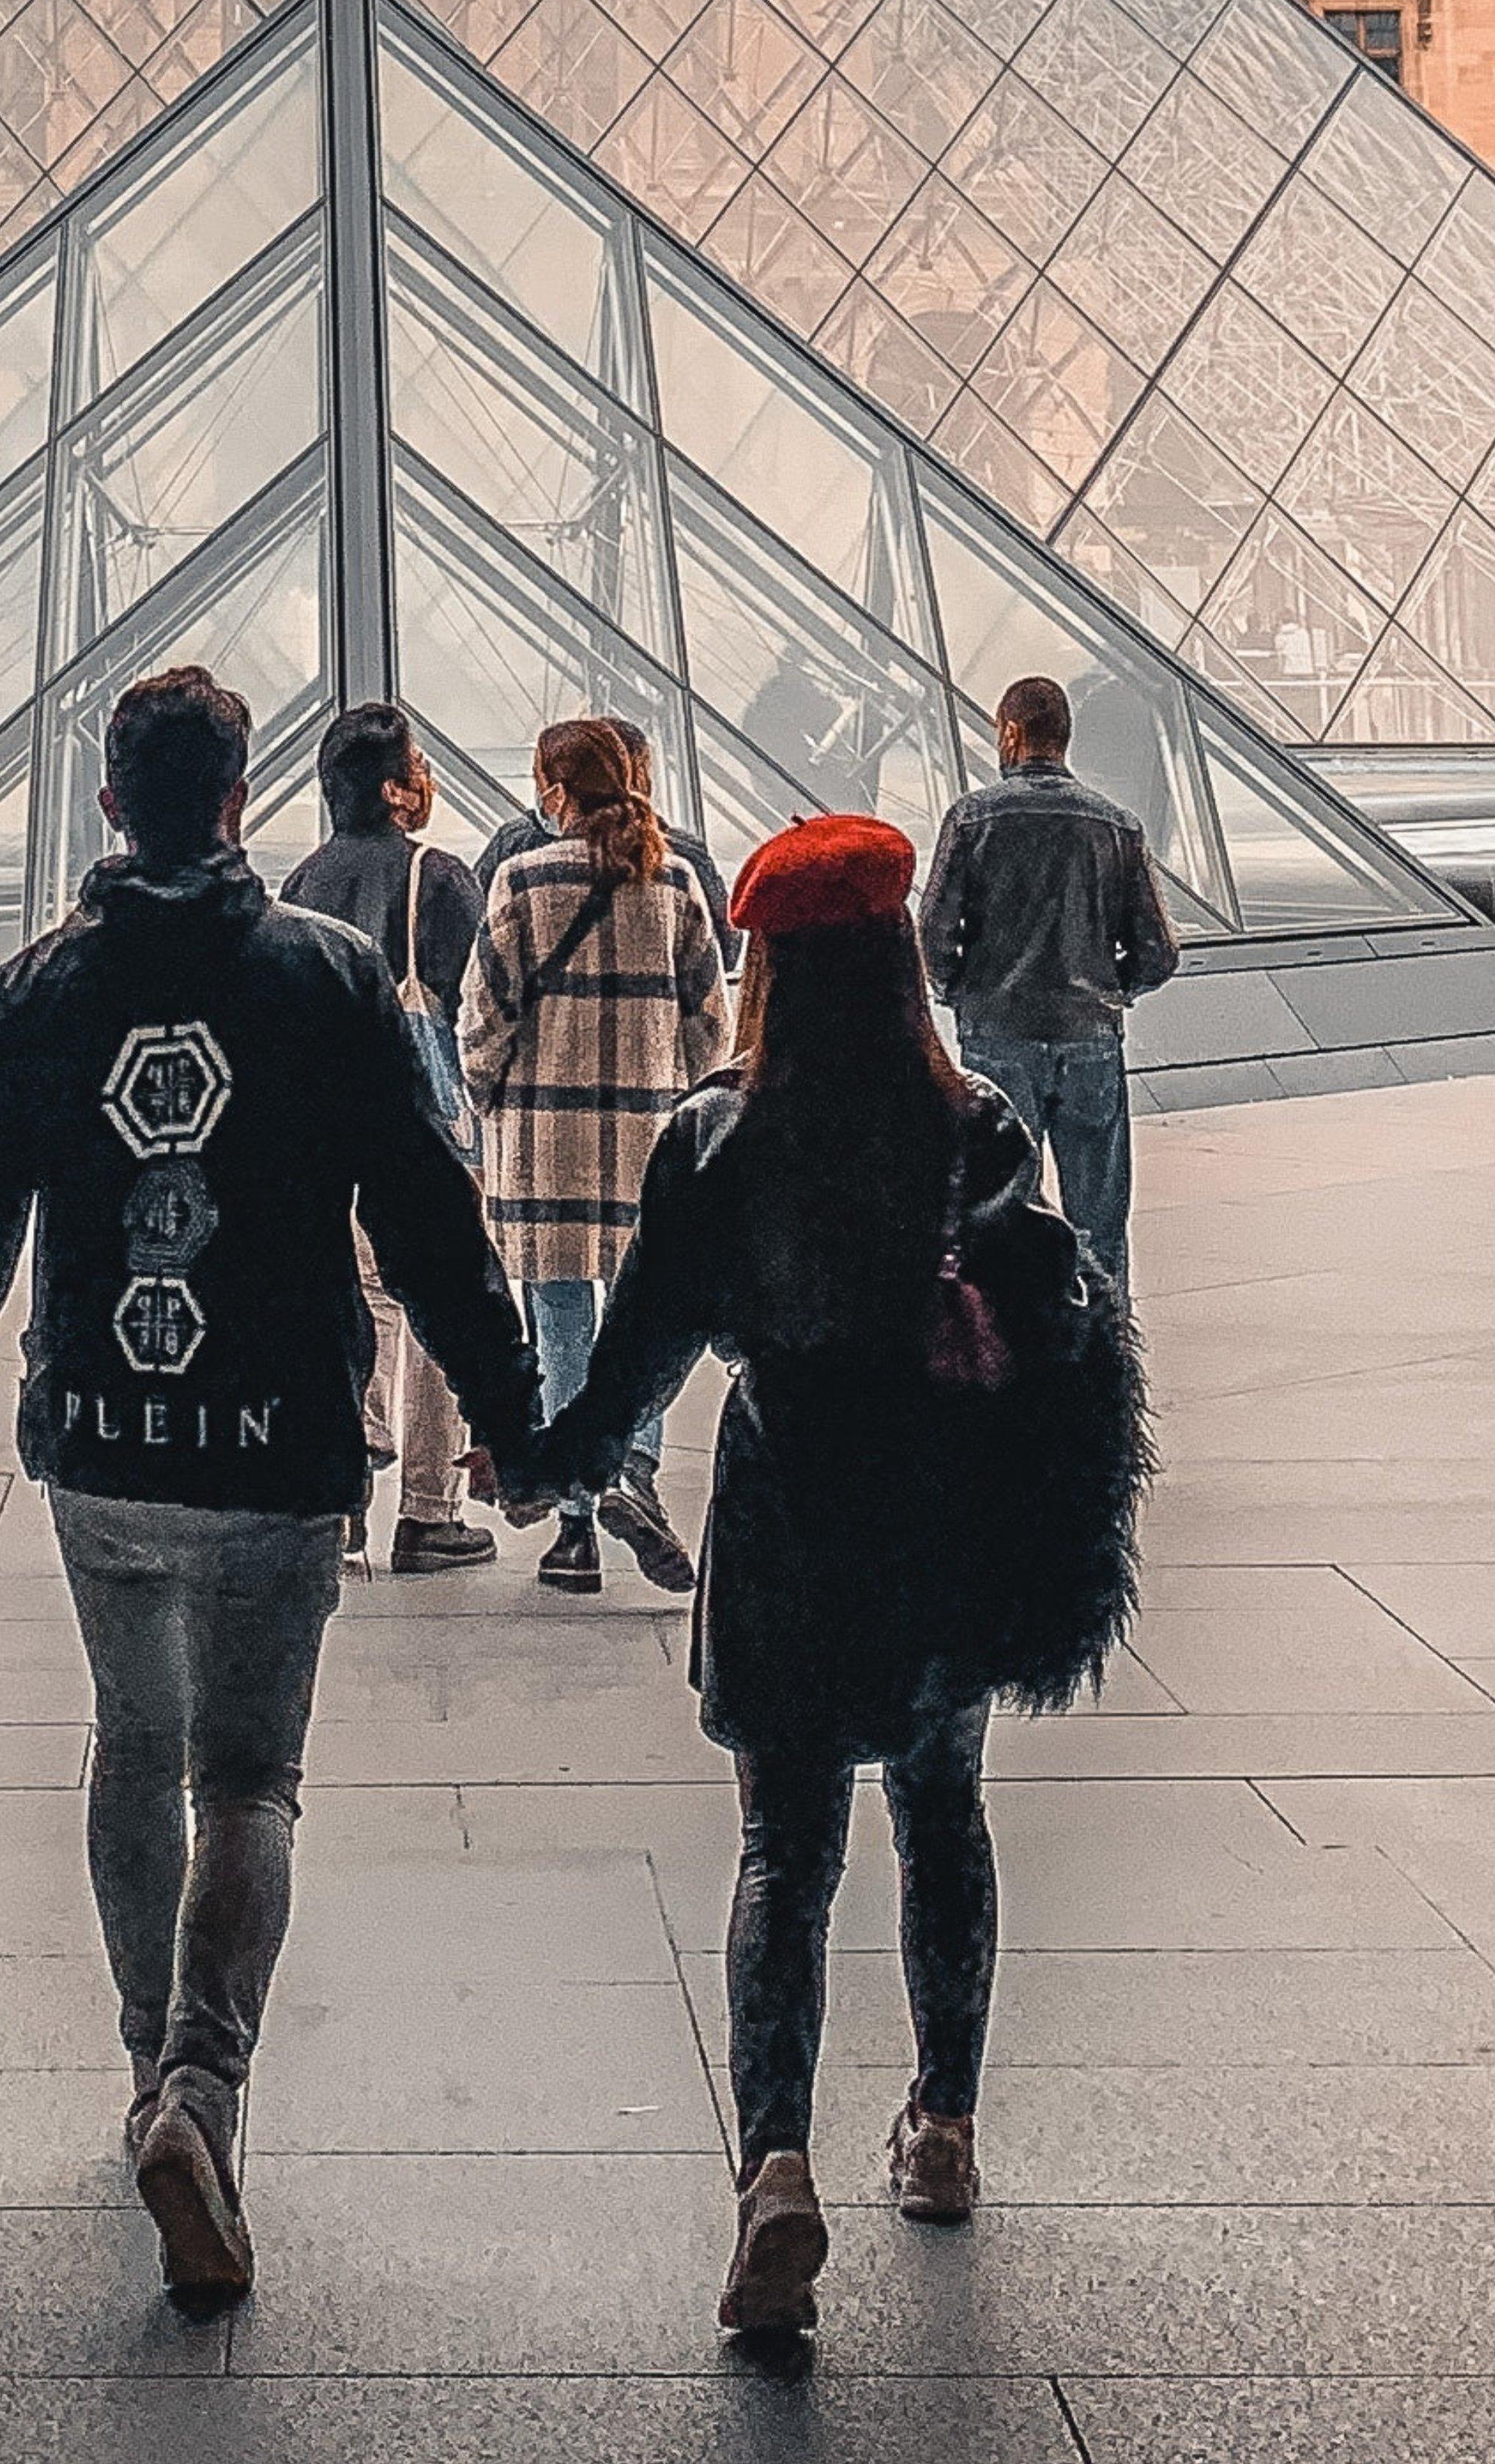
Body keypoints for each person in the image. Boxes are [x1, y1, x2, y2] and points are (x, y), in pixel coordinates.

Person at [0, 666, 547, 2307]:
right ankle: (204, 2094)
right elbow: (432, 1224)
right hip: (281, 1442)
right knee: (248, 1781)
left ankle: (142, 2063)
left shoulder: (34, 992)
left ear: (109, 806)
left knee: (131, 1746)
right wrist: (508, 1417)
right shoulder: (332, 977)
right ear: (240, 805)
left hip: (98, 1440)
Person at [527, 813, 1150, 2337]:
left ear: (768, 964)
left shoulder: (717, 1136)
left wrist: (560, 1456)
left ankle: (776, 2173)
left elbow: (647, 1348)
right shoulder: (978, 1127)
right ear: (894, 955)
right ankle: (940, 2128)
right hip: (939, 1509)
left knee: (782, 1853)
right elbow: (1061, 1304)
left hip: (787, 1510)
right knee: (942, 1813)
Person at [462, 717, 720, 1595]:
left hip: (545, 1142)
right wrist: (678, 1101)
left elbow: (483, 1020)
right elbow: (708, 1026)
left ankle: (577, 1524)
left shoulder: (521, 879)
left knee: (560, 1316)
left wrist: (489, 1092)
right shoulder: (676, 882)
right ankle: (632, 1468)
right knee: (645, 1318)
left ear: (558, 794)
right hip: (647, 1138)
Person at [275, 703, 493, 1576]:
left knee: (356, 1300)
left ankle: (343, 1504)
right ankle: (431, 1513)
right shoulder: (437, 875)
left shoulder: (300, 882)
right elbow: (479, 1003)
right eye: (422, 768)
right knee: (436, 1294)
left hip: (321, 1130)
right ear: (398, 792)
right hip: (425, 1122)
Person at [918, 675, 1180, 1280]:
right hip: (1090, 1037)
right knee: (1098, 1222)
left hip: (998, 1035)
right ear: (1064, 737)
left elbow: (931, 935)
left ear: (1010, 733)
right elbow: (1159, 953)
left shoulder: (972, 819)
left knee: (996, 1211)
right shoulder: (1116, 825)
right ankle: (1105, 1350)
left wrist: (962, 991)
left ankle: (1011, 1354)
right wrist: (1112, 988)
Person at [475, 716, 730, 965]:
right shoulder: (680, 857)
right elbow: (725, 951)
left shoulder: (514, 849)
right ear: (635, 774)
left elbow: (477, 945)